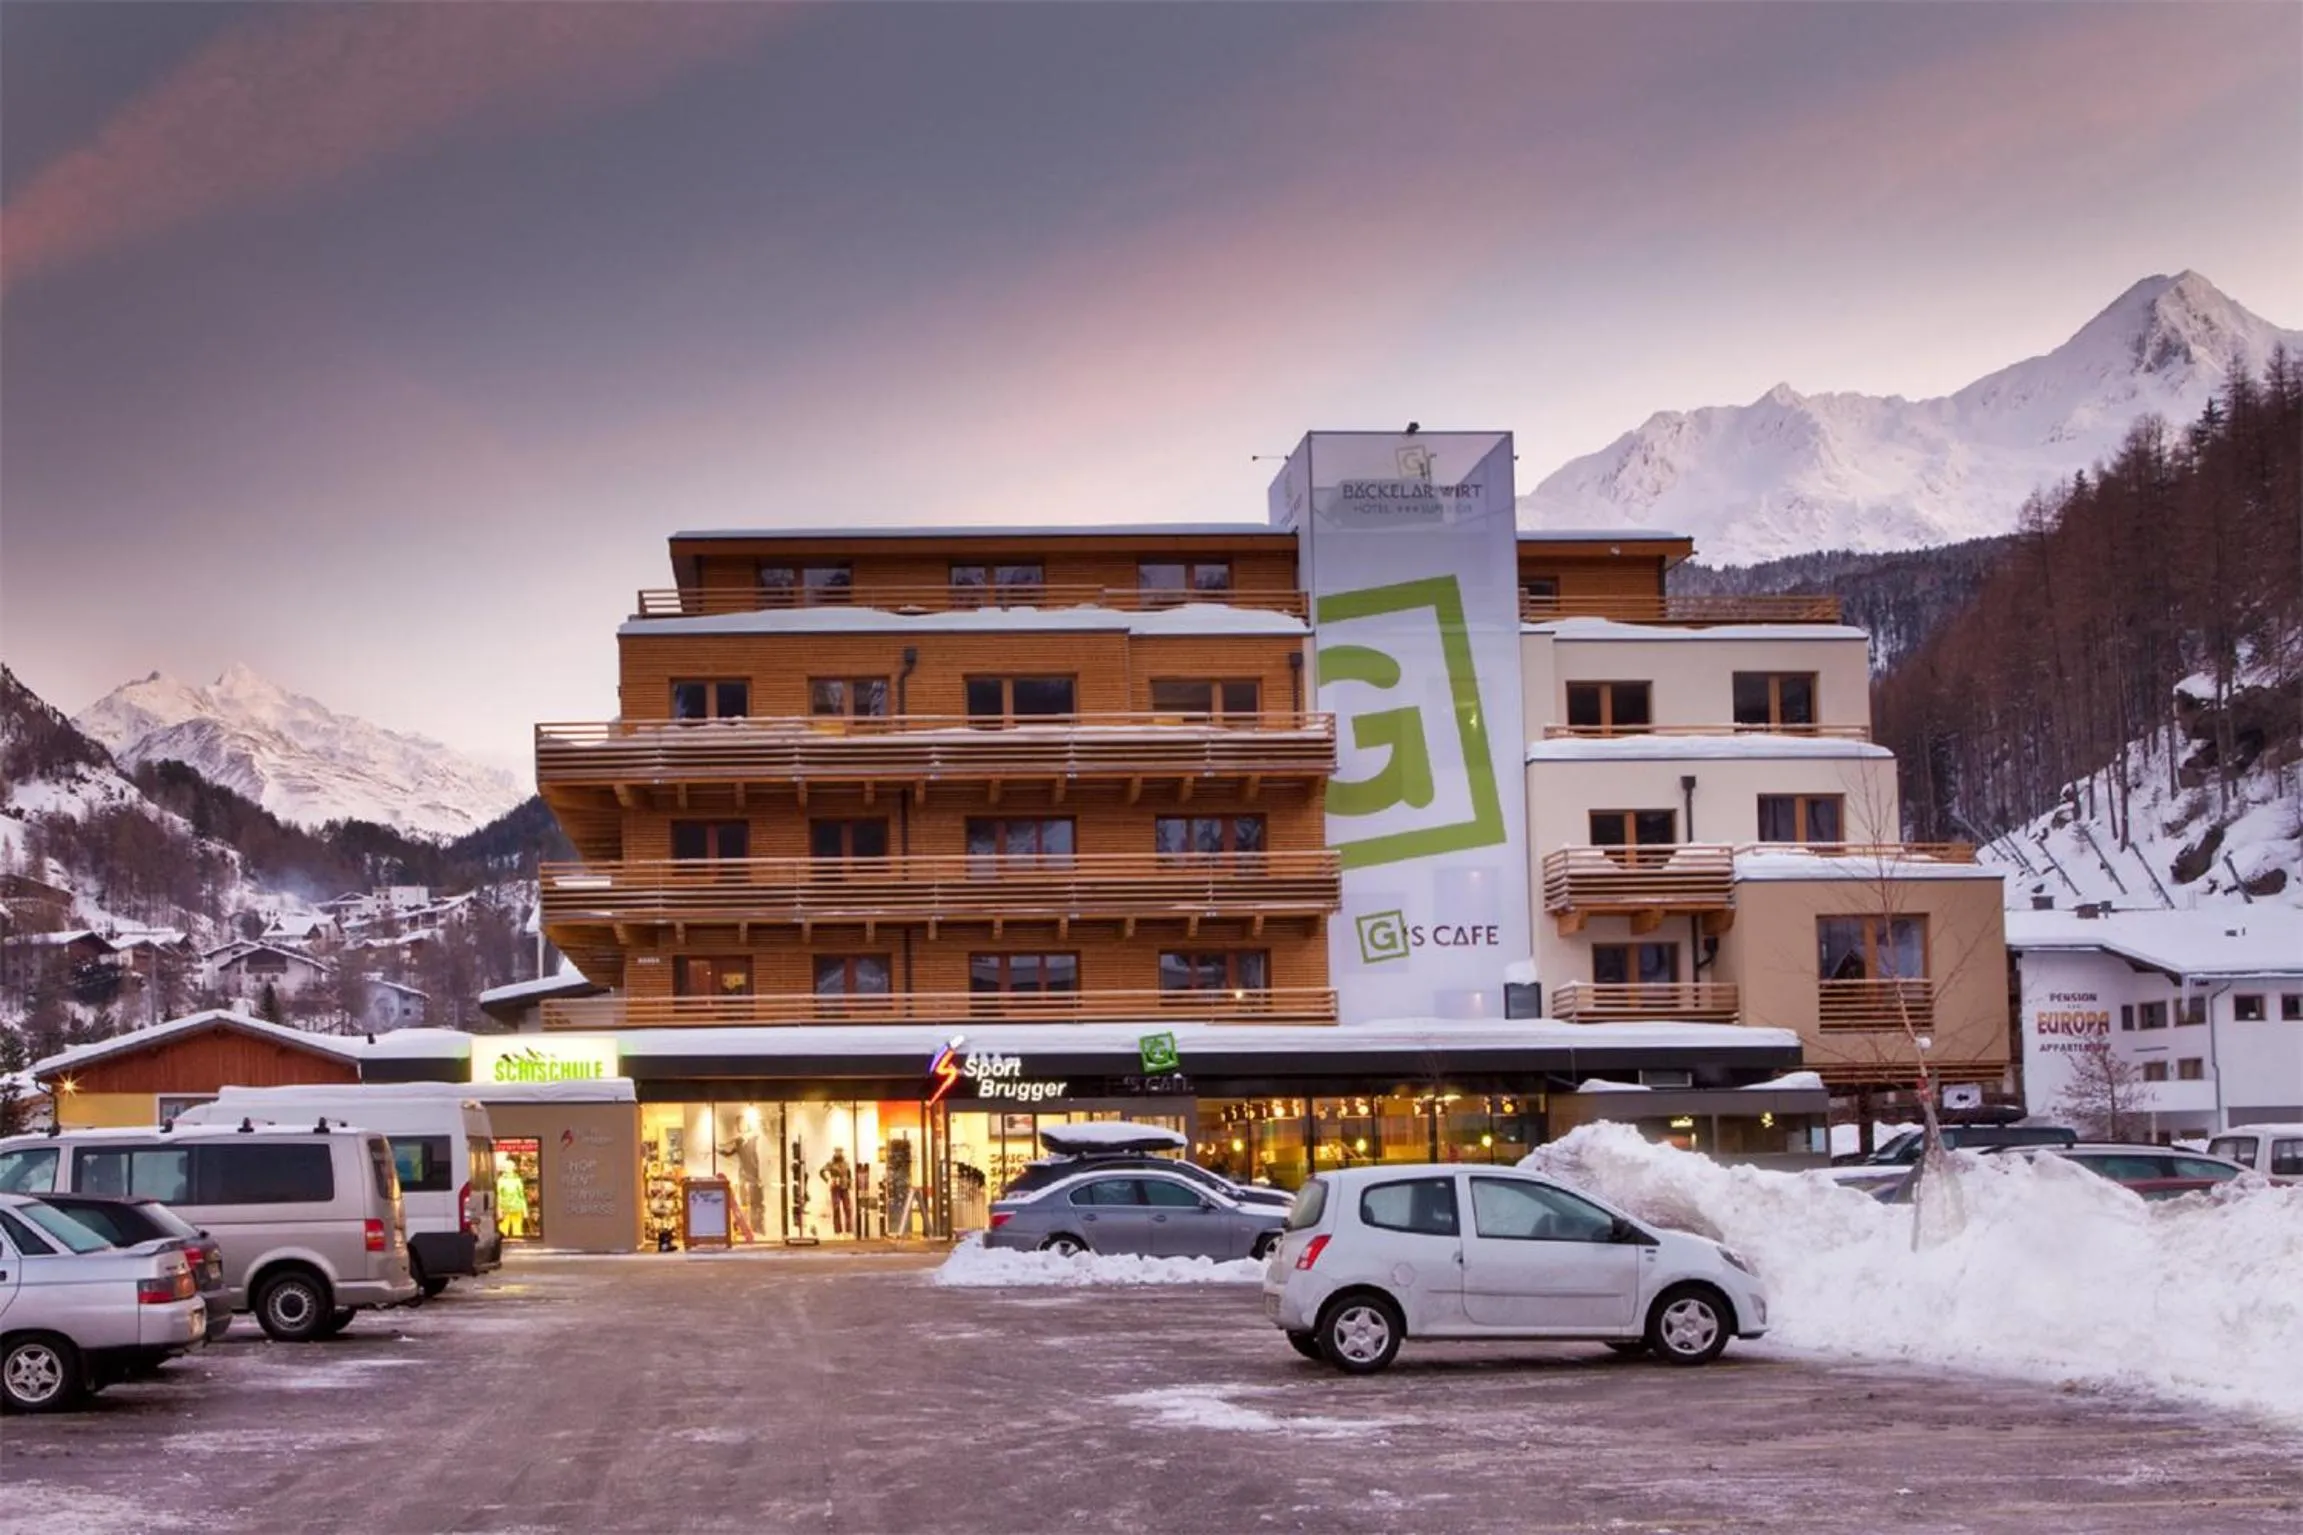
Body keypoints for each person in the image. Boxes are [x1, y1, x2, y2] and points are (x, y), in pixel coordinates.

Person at [821, 1147, 854, 1235]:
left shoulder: (846, 1163)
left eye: (840, 1152)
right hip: (835, 1187)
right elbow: (821, 1171)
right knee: (836, 1208)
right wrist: (828, 1180)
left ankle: (849, 1230)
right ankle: (837, 1231)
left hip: (845, 1187)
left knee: (847, 1209)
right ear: (834, 1152)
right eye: (837, 1152)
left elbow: (849, 1174)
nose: (839, 1153)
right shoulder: (831, 1163)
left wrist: (850, 1183)